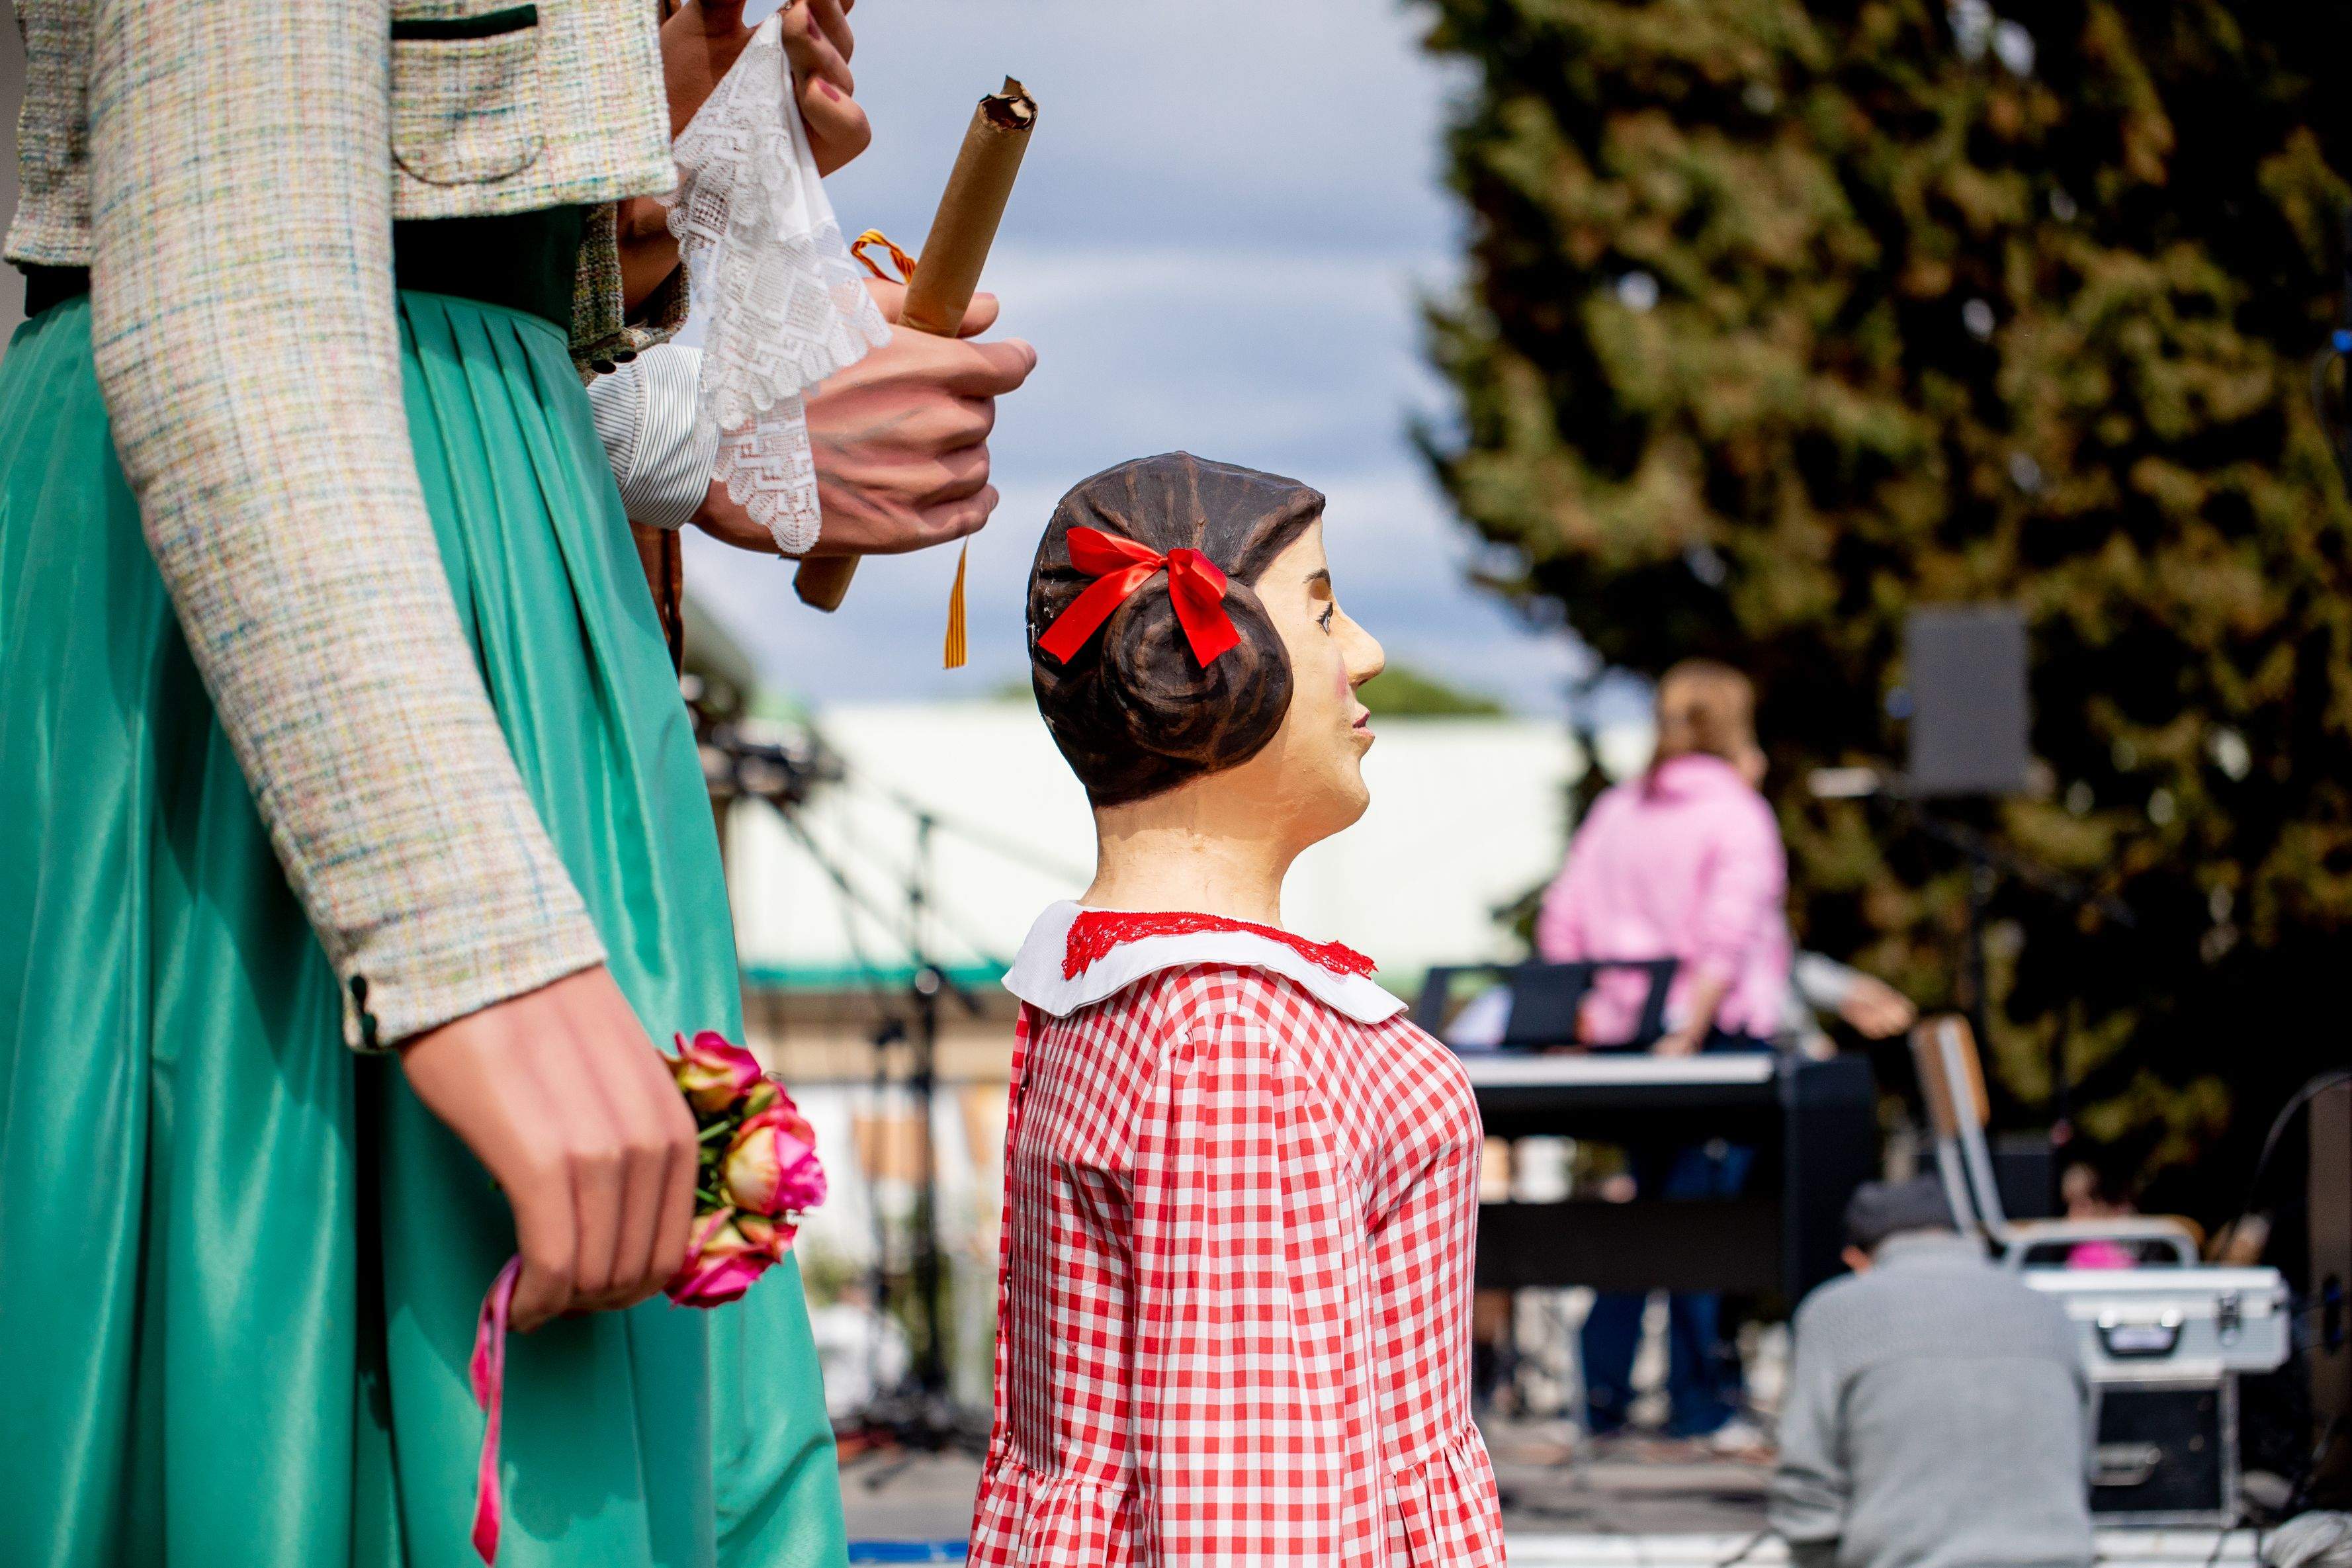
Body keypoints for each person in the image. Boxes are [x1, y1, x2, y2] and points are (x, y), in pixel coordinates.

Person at [0, 3, 1028, 1564]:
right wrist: (477, 952)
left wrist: (669, 165)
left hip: (507, 562)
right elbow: (232, 266)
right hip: (302, 602)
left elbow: (472, 236)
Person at [967, 455, 1506, 1565]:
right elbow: (1251, 1507)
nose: (1367, 652)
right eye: (1322, 613)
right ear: (1197, 667)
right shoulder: (1233, 1038)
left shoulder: (1131, 992)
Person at [1536, 658, 1790, 1443]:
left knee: (1639, 1217)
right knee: (1700, 1225)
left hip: (1623, 1040)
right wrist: (1691, 1026)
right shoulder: (1738, 814)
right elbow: (1727, 930)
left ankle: (1601, 1395)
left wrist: (1576, 1016)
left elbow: (1562, 918)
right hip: (1707, 1043)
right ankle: (1698, 1403)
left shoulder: (1619, 810)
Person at [1771, 1177, 2097, 1568]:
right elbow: (2082, 1465)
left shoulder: (1837, 1312)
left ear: (1858, 1258)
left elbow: (1808, 1480)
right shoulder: (2048, 1311)